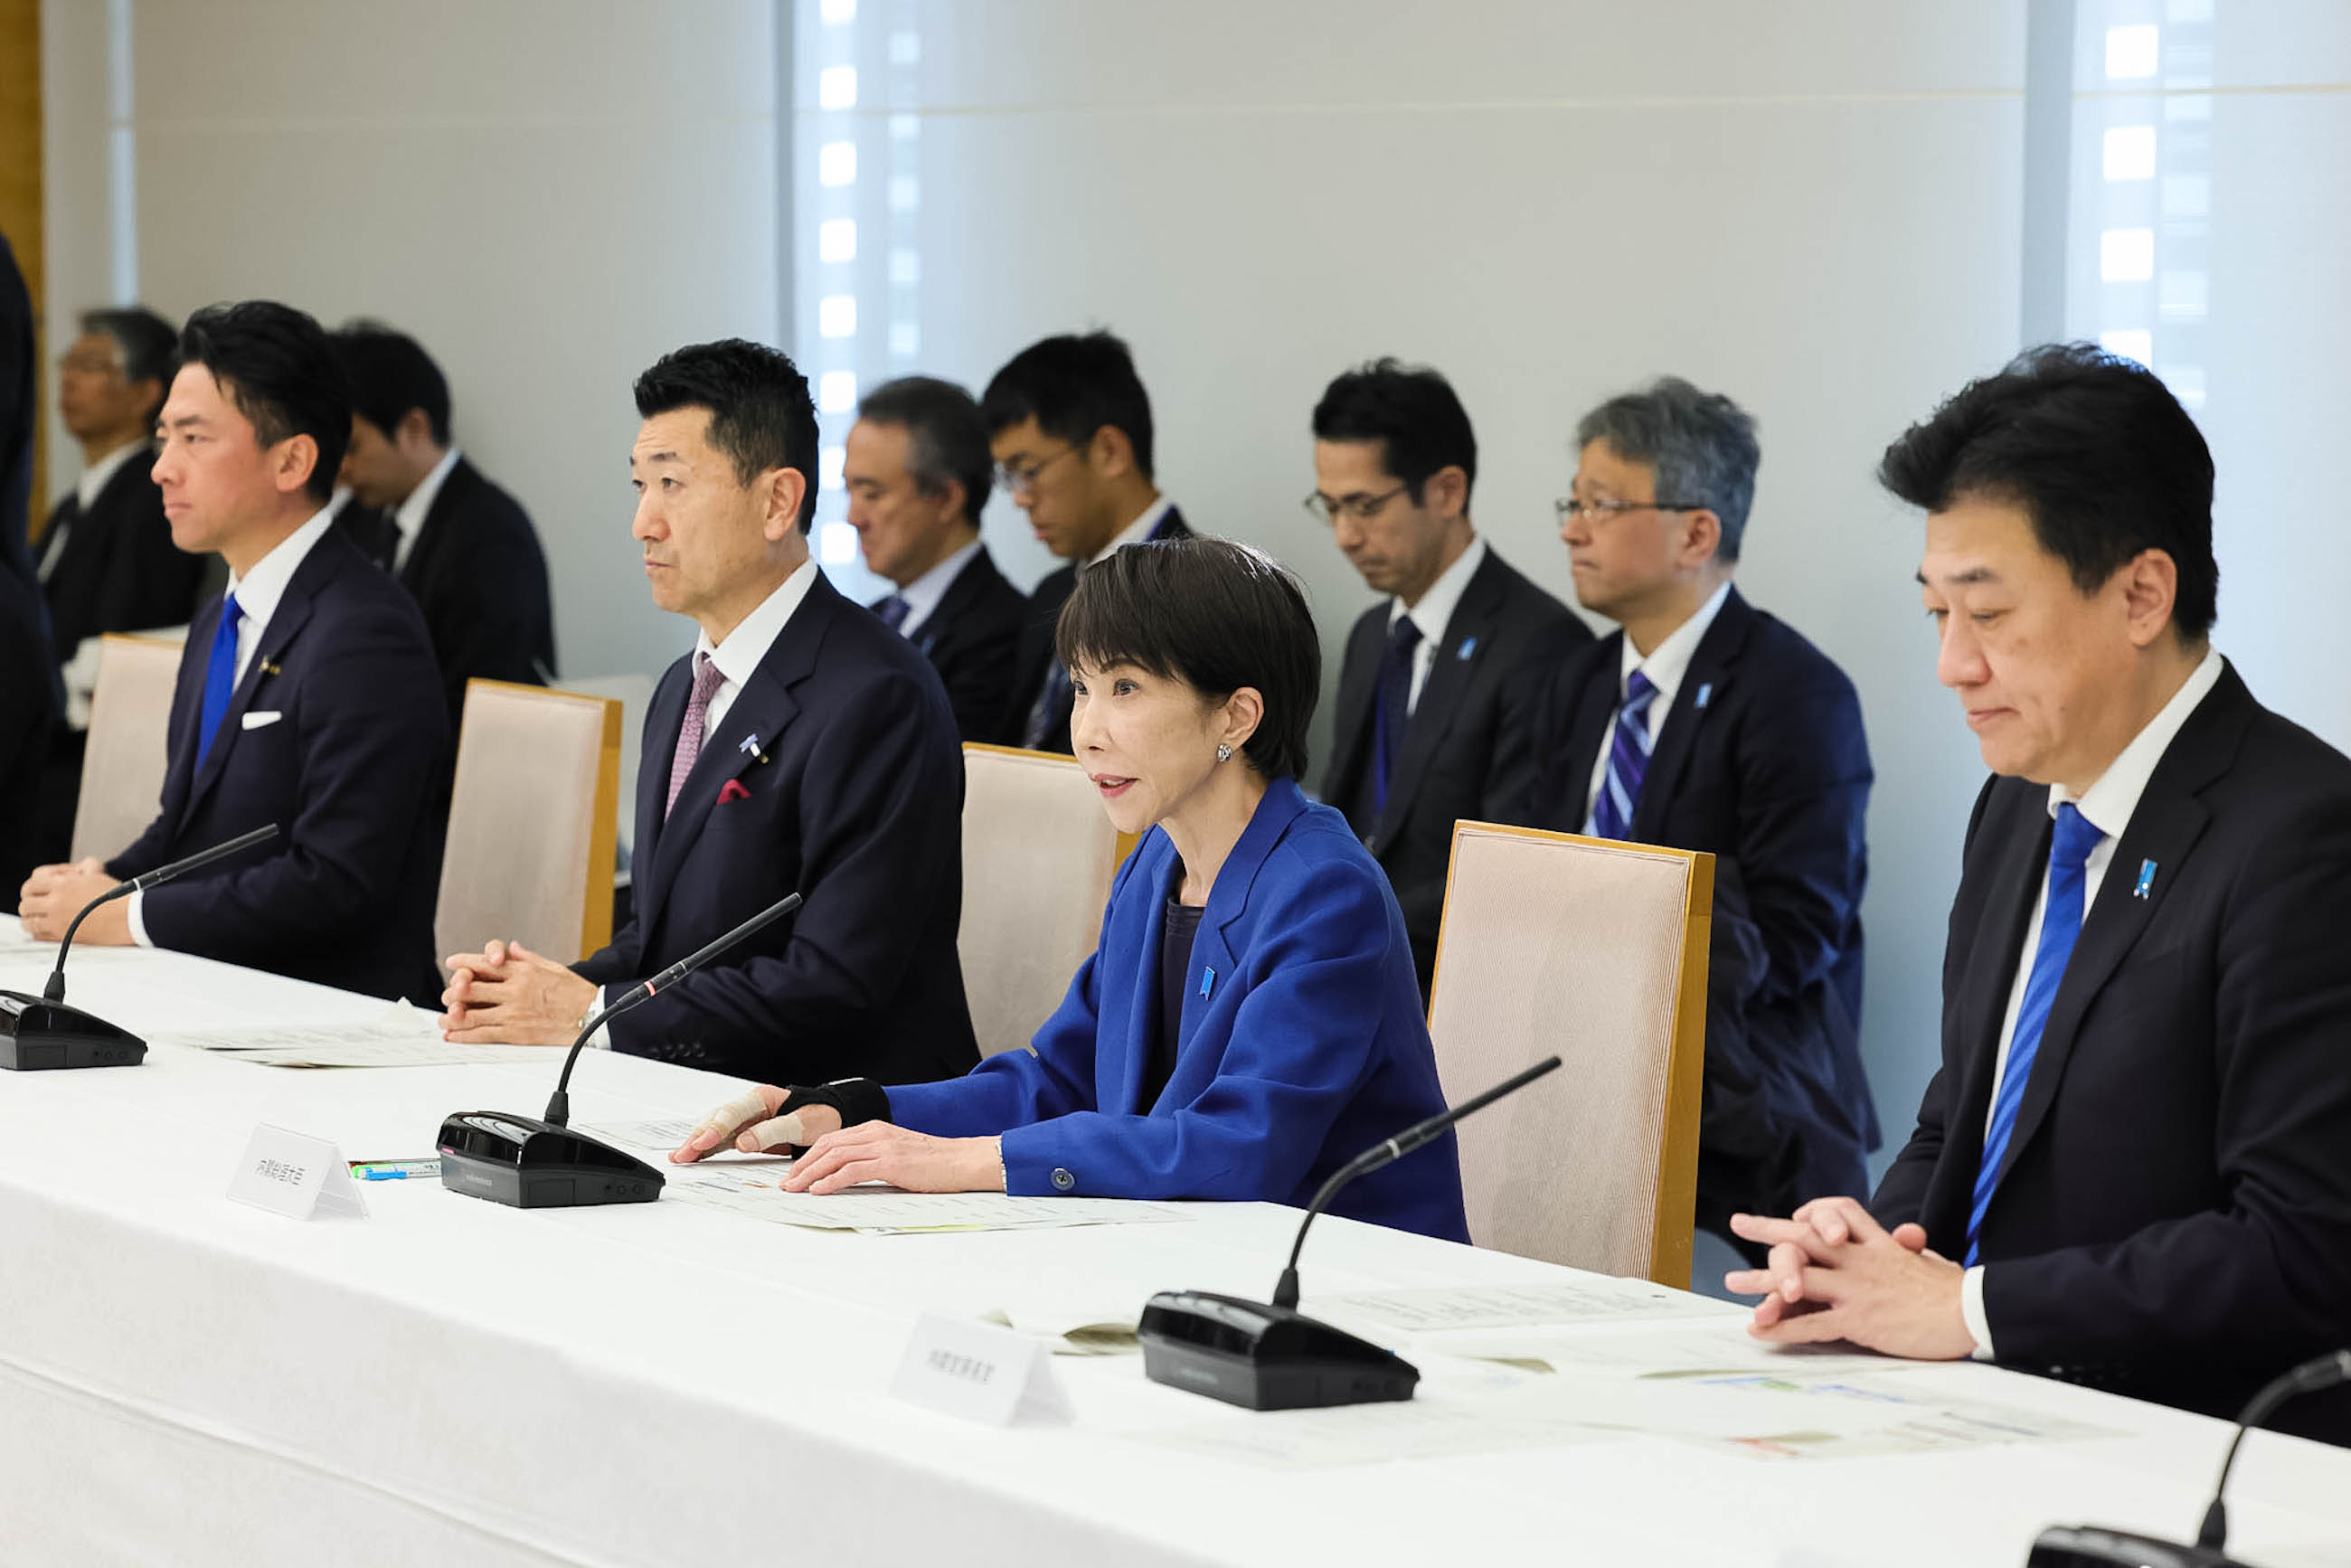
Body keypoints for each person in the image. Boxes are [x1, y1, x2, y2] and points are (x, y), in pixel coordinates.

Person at [1731, 345, 2351, 1446]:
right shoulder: (2020, 806)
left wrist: (1966, 1310)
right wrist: (1866, 1247)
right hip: (1971, 1417)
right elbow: (1955, 1122)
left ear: (2140, 595)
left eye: (1986, 613)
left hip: (2182, 1454)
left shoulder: (2302, 837)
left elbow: (2303, 1245)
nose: (1950, 666)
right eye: (1935, 615)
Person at [669, 536, 1470, 1242]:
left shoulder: (1328, 893)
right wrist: (850, 1108)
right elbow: (1060, 1078)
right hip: (1180, 1251)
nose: (1087, 729)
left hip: (1343, 1284)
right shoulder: (1156, 864)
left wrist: (968, 1162)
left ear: (1237, 717)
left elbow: (1243, 1146)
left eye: (1126, 688)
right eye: (1082, 688)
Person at [440, 339, 977, 1085]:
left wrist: (594, 1014)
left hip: (838, 1120)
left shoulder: (877, 695)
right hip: (695, 1090)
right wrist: (537, 995)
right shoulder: (681, 686)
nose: (644, 523)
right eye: (638, 486)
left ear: (777, 502)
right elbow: (663, 941)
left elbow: (834, 983)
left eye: (673, 485)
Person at [1522, 377, 1876, 1257]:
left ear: (1696, 531)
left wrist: (1624, 943)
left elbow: (1799, 933)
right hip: (1572, 1101)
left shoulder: (1795, 693)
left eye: (1600, 505)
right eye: (1571, 502)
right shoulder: (1572, 680)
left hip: (1739, 1128)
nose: (1571, 528)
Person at [15, 301, 449, 1003]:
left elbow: (336, 880)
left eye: (193, 439)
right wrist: (98, 889)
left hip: (326, 1020)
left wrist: (127, 915)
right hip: (214, 989)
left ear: (291, 460)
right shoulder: (218, 614)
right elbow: (185, 833)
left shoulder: (366, 630)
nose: (162, 469)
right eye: (163, 439)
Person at [1313, 358, 1585, 997]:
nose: (1344, 536)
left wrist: (1345, 940)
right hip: (1343, 975)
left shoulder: (1542, 644)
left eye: (1364, 506)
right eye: (1329, 508)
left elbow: (1510, 873)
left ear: (1447, 491)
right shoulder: (1370, 634)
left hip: (1458, 991)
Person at [33, 307, 206, 864]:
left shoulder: (152, 499)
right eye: (68, 362)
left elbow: (133, 632)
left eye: (92, 365)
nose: (69, 379)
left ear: (143, 394)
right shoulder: (72, 503)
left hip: (91, 764)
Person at [331, 322, 556, 729]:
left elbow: (482, 708)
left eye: (351, 447)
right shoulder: (359, 518)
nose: (340, 468)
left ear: (414, 428)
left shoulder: (491, 535)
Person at [984, 330, 1188, 754]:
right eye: (1009, 478)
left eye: (1029, 470)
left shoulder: (1201, 594)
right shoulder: (1052, 594)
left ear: (1109, 451)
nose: (1020, 498)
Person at [845, 375, 1024, 741]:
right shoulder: (867, 620)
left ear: (946, 498)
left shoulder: (1005, 629)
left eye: (872, 494)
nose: (853, 517)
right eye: (849, 490)